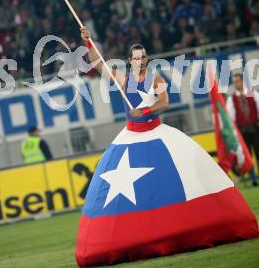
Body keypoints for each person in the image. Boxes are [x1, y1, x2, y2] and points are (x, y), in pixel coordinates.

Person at [75, 25, 259, 267]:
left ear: (146, 59)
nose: (139, 61)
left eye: (143, 57)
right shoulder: (123, 78)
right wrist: (88, 42)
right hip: (132, 134)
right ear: (130, 61)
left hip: (156, 130)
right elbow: (99, 64)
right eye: (135, 57)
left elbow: (165, 102)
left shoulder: (156, 79)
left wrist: (146, 110)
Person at [226, 73, 259, 186]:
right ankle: (253, 178)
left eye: (238, 81)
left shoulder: (253, 94)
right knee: (247, 156)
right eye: (235, 82)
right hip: (242, 131)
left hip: (256, 129)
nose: (236, 83)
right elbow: (230, 116)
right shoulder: (232, 98)